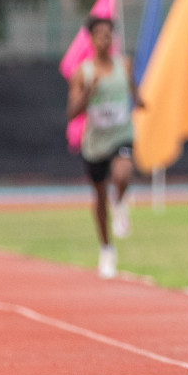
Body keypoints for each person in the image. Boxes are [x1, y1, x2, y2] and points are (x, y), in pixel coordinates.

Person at [66, 16, 141, 279]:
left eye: (108, 34)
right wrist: (89, 92)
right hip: (96, 143)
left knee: (123, 173)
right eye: (98, 34)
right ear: (91, 39)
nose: (104, 39)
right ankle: (107, 249)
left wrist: (140, 99)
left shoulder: (125, 65)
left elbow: (133, 90)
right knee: (99, 198)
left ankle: (120, 200)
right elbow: (72, 112)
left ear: (113, 39)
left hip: (121, 134)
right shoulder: (83, 73)